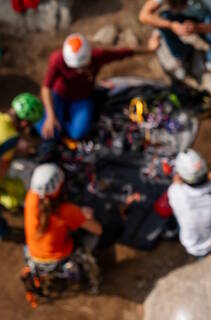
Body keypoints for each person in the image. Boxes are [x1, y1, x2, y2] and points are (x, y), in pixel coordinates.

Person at [37, 33, 155, 143]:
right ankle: (53, 122)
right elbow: (46, 87)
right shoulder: (57, 59)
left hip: (82, 98)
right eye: (75, 68)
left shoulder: (98, 56)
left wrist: (149, 49)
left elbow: (122, 53)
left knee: (78, 133)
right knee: (49, 131)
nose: (79, 71)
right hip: (60, 95)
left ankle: (62, 124)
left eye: (83, 66)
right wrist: (51, 116)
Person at [24, 163, 103, 291]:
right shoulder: (66, 211)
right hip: (58, 258)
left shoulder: (30, 198)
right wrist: (84, 216)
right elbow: (98, 229)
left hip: (33, 254)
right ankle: (91, 276)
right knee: (93, 237)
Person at [139, 0, 211, 90]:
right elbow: (143, 15)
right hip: (190, 18)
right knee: (164, 16)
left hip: (207, 20)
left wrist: (199, 28)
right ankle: (183, 55)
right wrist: (171, 25)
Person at [0, 92, 43, 238]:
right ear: (24, 123)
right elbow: (2, 168)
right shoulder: (11, 137)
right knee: (16, 192)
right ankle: (4, 232)